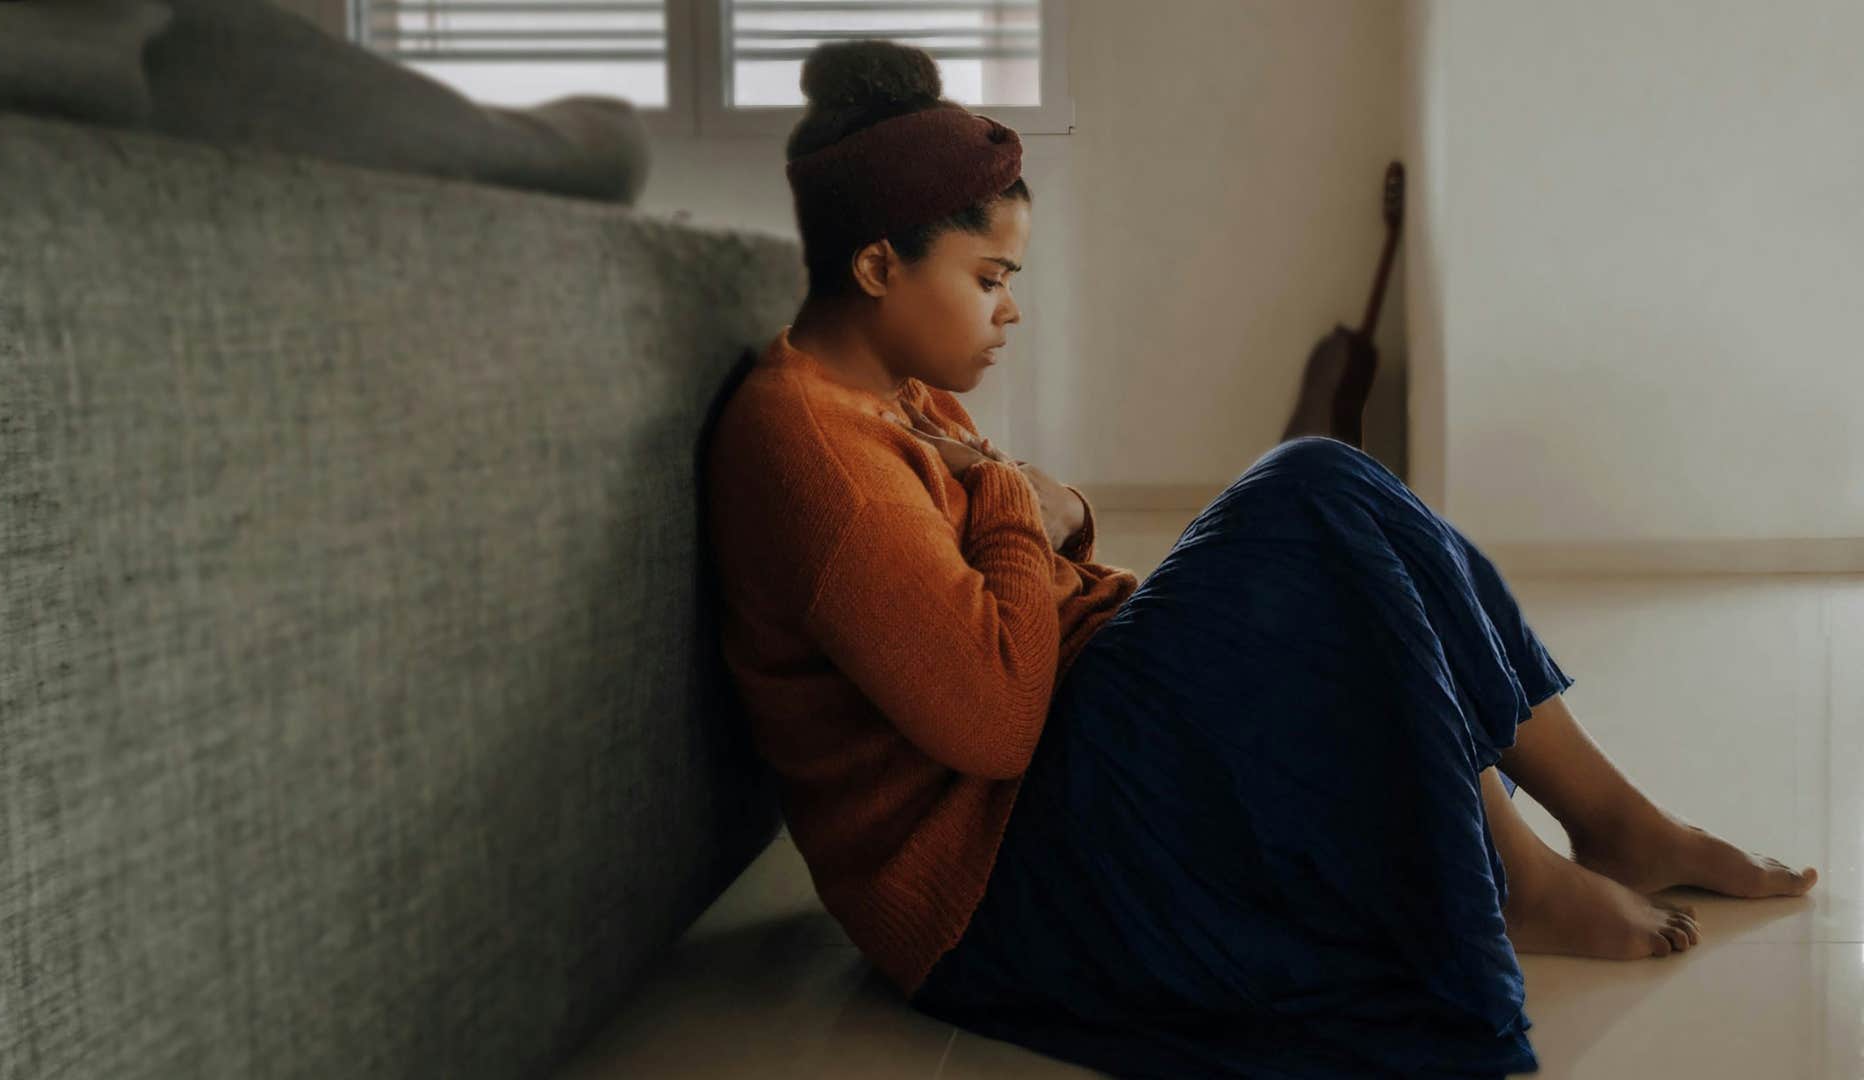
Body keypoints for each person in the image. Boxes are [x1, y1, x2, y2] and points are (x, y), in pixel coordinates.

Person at [702, 39, 1818, 1079]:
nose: (1011, 313)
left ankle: (1614, 824)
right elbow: (991, 721)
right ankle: (1514, 881)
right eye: (990, 278)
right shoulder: (810, 447)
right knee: (1309, 496)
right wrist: (1008, 494)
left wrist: (1052, 514)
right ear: (877, 264)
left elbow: (1024, 551)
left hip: (1058, 760)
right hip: (995, 880)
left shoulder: (894, 389)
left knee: (1327, 489)